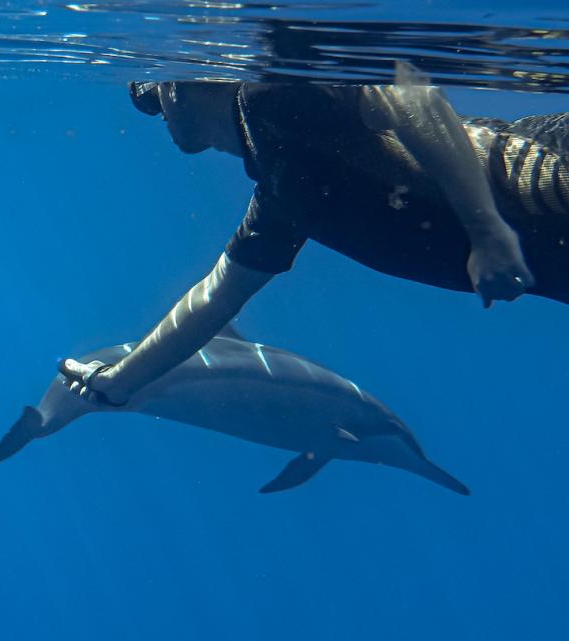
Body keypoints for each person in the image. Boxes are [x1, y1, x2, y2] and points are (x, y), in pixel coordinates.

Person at [61, 68, 568, 406]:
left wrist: (487, 229)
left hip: (546, 178)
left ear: (178, 88)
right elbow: (215, 297)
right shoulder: (283, 194)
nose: (155, 110)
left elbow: (408, 92)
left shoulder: (272, 97)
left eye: (151, 95)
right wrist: (119, 383)